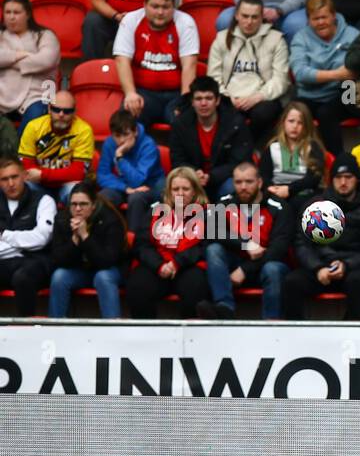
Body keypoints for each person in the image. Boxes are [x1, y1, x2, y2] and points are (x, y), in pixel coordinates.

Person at [283, 156, 360, 320]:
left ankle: (350, 333)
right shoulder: (315, 205)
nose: (343, 182)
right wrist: (318, 267)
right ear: (331, 180)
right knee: (292, 282)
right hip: (320, 267)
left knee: (359, 281)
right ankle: (298, 335)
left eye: (348, 177)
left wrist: (346, 265)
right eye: (338, 177)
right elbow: (302, 244)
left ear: (356, 179)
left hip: (351, 268)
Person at [198, 160, 290, 320]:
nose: (243, 187)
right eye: (238, 182)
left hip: (265, 264)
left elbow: (278, 249)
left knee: (273, 268)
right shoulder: (226, 202)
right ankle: (224, 309)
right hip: (235, 262)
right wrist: (246, 244)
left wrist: (245, 270)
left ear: (260, 182)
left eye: (249, 181)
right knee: (213, 250)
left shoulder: (278, 206)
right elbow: (211, 231)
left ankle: (272, 322)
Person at [207, 0, 293, 145]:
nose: (249, 21)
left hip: (262, 98)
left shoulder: (276, 40)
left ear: (262, 18)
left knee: (264, 113)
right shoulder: (222, 39)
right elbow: (213, 77)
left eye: (254, 17)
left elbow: (281, 80)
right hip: (231, 97)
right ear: (236, 16)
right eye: (245, 16)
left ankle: (252, 151)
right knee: (225, 113)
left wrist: (258, 97)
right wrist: (228, 97)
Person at [124, 166, 209, 318]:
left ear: (195, 190)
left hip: (188, 266)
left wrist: (177, 262)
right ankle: (147, 335)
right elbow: (141, 245)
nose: (180, 194)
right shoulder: (155, 211)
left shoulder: (208, 213)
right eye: (176, 189)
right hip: (158, 266)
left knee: (196, 287)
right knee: (137, 287)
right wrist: (159, 265)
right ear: (169, 191)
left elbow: (205, 246)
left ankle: (190, 337)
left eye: (186, 189)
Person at [113, 0, 199, 129]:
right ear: (145, 5)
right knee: (125, 122)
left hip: (176, 94)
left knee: (186, 122)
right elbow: (122, 61)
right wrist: (130, 93)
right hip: (143, 93)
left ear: (174, 7)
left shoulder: (186, 22)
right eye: (155, 6)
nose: (160, 12)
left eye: (166, 7)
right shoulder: (131, 21)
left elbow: (189, 65)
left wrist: (185, 101)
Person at [289, 0, 360, 155]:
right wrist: (337, 74)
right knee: (292, 112)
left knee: (346, 92)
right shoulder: (301, 38)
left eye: (324, 17)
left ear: (334, 16)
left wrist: (341, 76)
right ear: (309, 20)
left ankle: (337, 161)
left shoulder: (352, 35)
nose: (321, 22)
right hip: (311, 94)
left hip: (346, 91)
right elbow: (300, 73)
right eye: (316, 19)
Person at [47, 181, 129, 319]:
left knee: (103, 277)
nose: (78, 209)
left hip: (111, 269)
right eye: (73, 204)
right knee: (59, 276)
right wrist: (75, 239)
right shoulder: (62, 218)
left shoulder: (110, 219)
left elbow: (107, 261)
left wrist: (85, 236)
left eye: (83, 204)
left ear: (93, 205)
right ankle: (56, 328)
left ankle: (113, 328)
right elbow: (57, 259)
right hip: (81, 270)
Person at [169, 76, 254, 200]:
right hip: (191, 179)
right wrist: (193, 173)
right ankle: (184, 219)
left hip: (223, 179)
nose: (203, 103)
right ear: (192, 102)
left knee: (232, 187)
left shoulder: (235, 123)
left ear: (217, 100)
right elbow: (177, 159)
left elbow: (239, 162)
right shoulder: (180, 124)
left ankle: (221, 220)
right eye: (198, 99)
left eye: (209, 98)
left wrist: (211, 176)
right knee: (167, 188)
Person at [0, 154, 55, 316]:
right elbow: (33, 239)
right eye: (4, 179)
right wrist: (23, 244)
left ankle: (26, 329)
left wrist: (4, 235)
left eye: (14, 177)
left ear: (24, 176)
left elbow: (42, 238)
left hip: (36, 262)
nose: (10, 184)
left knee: (22, 278)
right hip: (5, 263)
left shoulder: (44, 201)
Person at [97, 109, 165, 239]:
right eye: (117, 135)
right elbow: (102, 175)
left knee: (136, 198)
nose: (122, 140)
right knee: (103, 197)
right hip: (125, 185)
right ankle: (106, 238)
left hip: (150, 186)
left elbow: (138, 180)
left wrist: (120, 158)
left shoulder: (148, 145)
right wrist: (125, 188)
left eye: (126, 134)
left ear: (135, 131)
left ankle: (132, 240)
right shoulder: (109, 143)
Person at [17, 92, 95, 204]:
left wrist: (43, 175)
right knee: (22, 186)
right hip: (39, 184)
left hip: (66, 185)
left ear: (74, 112)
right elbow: (27, 168)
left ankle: (74, 222)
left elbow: (78, 172)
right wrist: (48, 176)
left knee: (77, 192)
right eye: (56, 110)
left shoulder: (84, 131)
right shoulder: (33, 127)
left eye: (67, 111)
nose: (61, 114)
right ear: (49, 109)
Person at [0, 0, 60, 134]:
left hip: (40, 93)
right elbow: (37, 60)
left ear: (27, 14)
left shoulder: (45, 35)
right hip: (3, 93)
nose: (11, 17)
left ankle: (19, 154)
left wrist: (7, 61)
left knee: (38, 117)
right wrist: (18, 55)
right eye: (7, 12)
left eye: (17, 12)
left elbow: (46, 60)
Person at [259, 101, 329, 207]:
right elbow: (264, 175)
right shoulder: (273, 146)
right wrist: (271, 188)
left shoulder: (313, 147)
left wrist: (290, 189)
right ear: (283, 122)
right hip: (276, 191)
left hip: (304, 193)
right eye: (291, 121)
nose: (295, 126)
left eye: (300, 123)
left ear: (306, 126)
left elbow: (314, 178)